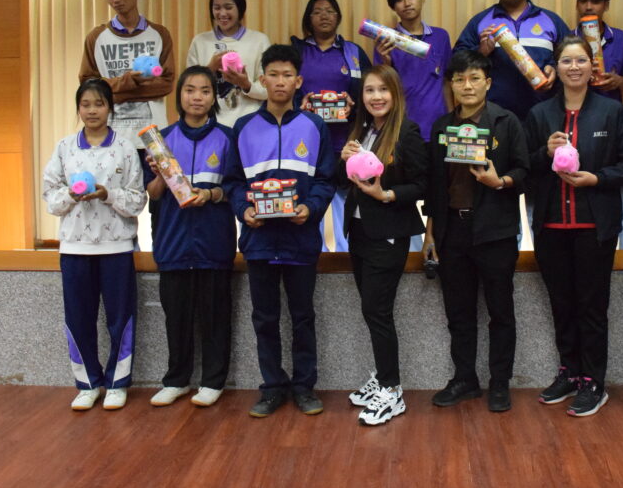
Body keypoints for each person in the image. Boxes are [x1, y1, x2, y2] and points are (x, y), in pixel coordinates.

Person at [525, 35, 623, 417]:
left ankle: (594, 380)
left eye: (581, 61)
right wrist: (543, 153)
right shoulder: (539, 114)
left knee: (592, 306)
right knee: (562, 304)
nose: (573, 67)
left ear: (593, 67)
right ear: (556, 68)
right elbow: (524, 167)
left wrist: (597, 178)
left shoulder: (612, 112)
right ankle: (570, 372)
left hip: (595, 225)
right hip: (551, 225)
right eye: (566, 61)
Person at [223, 44, 336, 418]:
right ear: (262, 79)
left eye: (288, 75)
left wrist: (311, 208)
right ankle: (272, 387)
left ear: (298, 81)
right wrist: (244, 210)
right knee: (265, 318)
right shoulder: (243, 127)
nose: (280, 81)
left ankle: (304, 387)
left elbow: (326, 179)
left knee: (303, 317)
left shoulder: (315, 126)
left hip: (301, 238)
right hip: (258, 240)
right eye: (273, 74)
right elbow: (232, 182)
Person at [424, 49, 529, 413]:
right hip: (452, 230)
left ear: (488, 83)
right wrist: (430, 233)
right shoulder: (441, 127)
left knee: (501, 311)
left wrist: (500, 181)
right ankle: (465, 379)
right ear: (451, 85)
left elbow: (525, 171)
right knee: (459, 312)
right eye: (459, 79)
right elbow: (434, 186)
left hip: (495, 231)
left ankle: (500, 382)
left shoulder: (506, 122)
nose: (466, 86)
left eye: (474, 79)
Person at [41, 78, 146, 411]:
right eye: (85, 104)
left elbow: (137, 200)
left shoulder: (125, 148)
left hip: (116, 248)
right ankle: (87, 384)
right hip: (75, 249)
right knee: (78, 319)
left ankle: (117, 384)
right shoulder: (64, 148)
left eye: (99, 104)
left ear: (110, 107)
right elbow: (49, 197)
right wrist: (71, 195)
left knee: (120, 319)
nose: (92, 110)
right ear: (78, 109)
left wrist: (107, 194)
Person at [339, 65, 428, 426]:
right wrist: (343, 158)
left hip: (388, 234)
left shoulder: (407, 131)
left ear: (396, 93)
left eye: (383, 90)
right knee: (370, 309)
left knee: (378, 312)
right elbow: (347, 179)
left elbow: (423, 184)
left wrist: (387, 194)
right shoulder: (362, 130)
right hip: (360, 231)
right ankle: (382, 375)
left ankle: (392, 391)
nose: (376, 97)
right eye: (369, 90)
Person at [145, 66, 236, 409]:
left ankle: (213, 381)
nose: (197, 97)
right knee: (177, 317)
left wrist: (210, 194)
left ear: (214, 98)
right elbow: (153, 194)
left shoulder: (228, 138)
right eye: (190, 90)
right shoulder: (160, 140)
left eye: (205, 91)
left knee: (215, 317)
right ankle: (176, 380)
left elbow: (235, 189)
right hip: (173, 242)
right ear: (179, 95)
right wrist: (157, 175)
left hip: (214, 241)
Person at [291, 0, 372, 252]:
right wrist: (299, 105)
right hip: (304, 140)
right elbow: (282, 90)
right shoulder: (297, 52)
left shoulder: (353, 52)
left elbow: (371, 91)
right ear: (308, 18)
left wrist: (354, 103)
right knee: (307, 197)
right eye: (317, 11)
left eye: (329, 11)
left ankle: (345, 252)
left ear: (338, 17)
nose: (324, 16)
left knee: (344, 200)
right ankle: (309, 251)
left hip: (344, 140)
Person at [571, 0, 623, 250]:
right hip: (576, 121)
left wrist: (617, 81)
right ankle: (587, 248)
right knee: (579, 189)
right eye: (583, 1)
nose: (589, 6)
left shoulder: (620, 38)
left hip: (613, 120)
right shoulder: (569, 39)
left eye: (596, 1)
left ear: (606, 5)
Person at [454, 0, 568, 121]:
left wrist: (555, 69)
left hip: (544, 113)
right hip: (495, 115)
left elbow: (573, 57)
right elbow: (456, 63)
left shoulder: (551, 20)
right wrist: (480, 52)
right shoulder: (480, 22)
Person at [79, 0, 176, 148]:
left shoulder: (159, 34)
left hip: (153, 133)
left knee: (157, 169)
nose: (115, 0)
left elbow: (166, 83)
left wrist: (115, 92)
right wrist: (128, 81)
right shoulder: (96, 37)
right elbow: (88, 85)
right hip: (111, 133)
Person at [371, 0, 452, 142]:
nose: (407, 3)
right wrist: (386, 62)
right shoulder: (386, 41)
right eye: (399, 0)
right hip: (402, 125)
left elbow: (446, 80)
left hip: (438, 124)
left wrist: (452, 117)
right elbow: (381, 88)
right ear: (393, 7)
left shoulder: (440, 36)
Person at [186, 0, 271, 127]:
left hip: (249, 123)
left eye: (228, 7)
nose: (222, 13)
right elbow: (188, 88)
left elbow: (268, 90)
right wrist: (209, 70)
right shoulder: (200, 41)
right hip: (208, 124)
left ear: (240, 9)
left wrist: (246, 85)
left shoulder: (259, 41)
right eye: (217, 8)